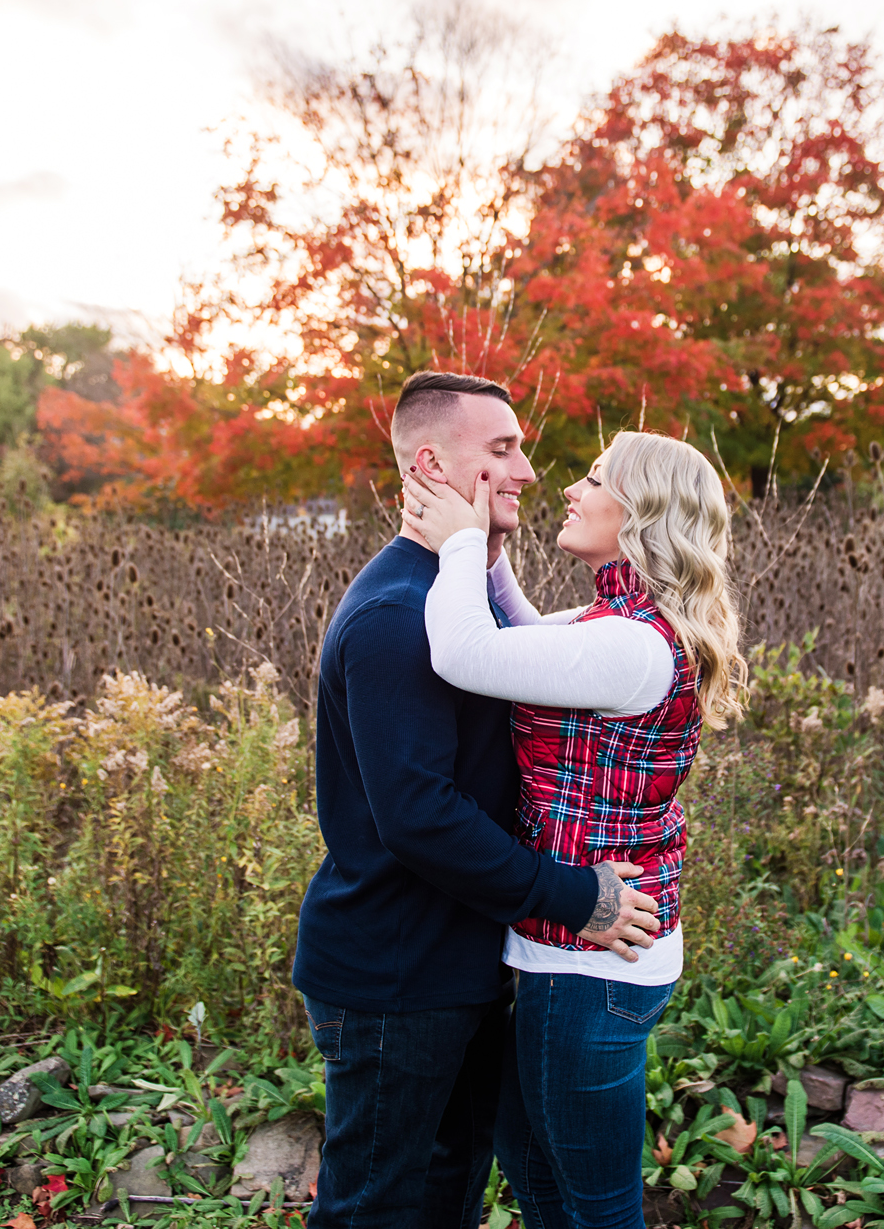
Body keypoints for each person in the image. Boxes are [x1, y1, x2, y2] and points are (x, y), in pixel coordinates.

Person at [293, 371, 662, 1229]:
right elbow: (420, 815)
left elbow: (533, 657)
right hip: (395, 973)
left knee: (445, 1191)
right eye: (503, 450)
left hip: (453, 961)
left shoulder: (451, 600)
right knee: (375, 1207)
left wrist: (481, 558)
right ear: (432, 465)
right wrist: (579, 896)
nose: (529, 470)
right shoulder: (395, 615)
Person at [402, 430, 748, 1229]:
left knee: (597, 1208)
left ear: (640, 512)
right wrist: (487, 544)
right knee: (534, 1169)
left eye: (594, 477)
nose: (569, 488)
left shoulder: (628, 645)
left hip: (589, 969)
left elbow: (464, 651)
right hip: (582, 952)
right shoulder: (623, 623)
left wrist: (457, 539)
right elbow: (530, 635)